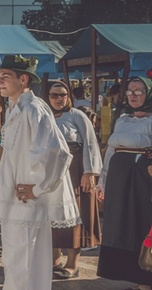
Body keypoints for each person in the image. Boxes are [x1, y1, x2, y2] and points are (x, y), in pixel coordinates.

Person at [0, 55, 76, 290]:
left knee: (20, 269)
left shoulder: (34, 108)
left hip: (26, 205)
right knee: (19, 267)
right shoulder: (15, 109)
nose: (0, 81)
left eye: (6, 76)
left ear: (24, 79)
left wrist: (38, 188)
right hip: (16, 204)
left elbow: (59, 152)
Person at [96, 76, 152, 290]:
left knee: (141, 226)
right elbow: (111, 152)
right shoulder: (122, 120)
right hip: (120, 183)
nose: (133, 95)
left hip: (142, 182)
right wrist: (103, 181)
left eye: (139, 91)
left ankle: (146, 284)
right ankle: (134, 277)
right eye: (130, 91)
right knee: (123, 228)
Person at [46, 82, 102, 279]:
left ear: (68, 96)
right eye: (54, 95)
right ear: (48, 97)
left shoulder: (77, 115)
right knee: (51, 214)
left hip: (74, 170)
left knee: (75, 214)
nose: (58, 99)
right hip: (51, 170)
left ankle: (72, 264)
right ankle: (54, 259)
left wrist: (89, 172)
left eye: (62, 95)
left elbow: (90, 143)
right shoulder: (44, 116)